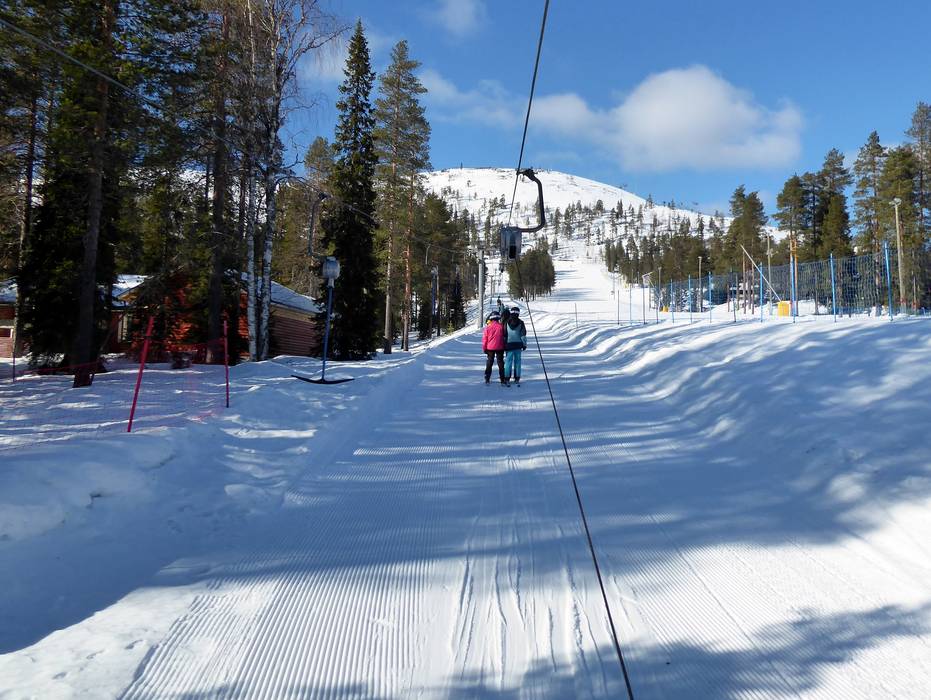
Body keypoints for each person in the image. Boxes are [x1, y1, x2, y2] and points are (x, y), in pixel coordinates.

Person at [504, 306, 527, 386]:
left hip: (509, 345)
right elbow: (523, 335)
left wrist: (504, 344)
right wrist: (524, 344)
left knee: (508, 362)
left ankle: (507, 377)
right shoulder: (521, 322)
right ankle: (517, 377)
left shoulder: (506, 322)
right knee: (518, 361)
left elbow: (504, 334)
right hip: (518, 345)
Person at [481, 310, 506, 384]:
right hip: (500, 347)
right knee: (500, 363)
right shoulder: (501, 326)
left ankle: (487, 377)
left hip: (490, 348)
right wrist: (504, 346)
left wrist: (484, 348)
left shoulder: (488, 327)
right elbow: (504, 337)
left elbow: (485, 339)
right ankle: (502, 378)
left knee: (489, 362)